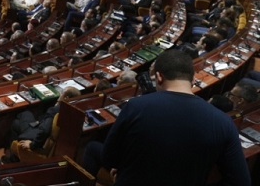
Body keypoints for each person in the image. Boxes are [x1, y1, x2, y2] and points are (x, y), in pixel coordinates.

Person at [88, 49, 250, 185]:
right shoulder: (223, 122)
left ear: (158, 77)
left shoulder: (136, 106)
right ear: (193, 80)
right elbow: (241, 181)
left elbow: (109, 158)